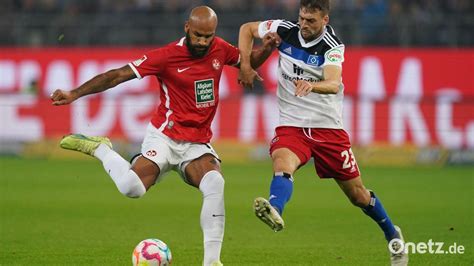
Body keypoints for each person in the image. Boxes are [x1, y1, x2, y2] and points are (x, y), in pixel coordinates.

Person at [51, 6, 278, 266]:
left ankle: (212, 262)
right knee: (131, 189)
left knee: (214, 182)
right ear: (186, 28)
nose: (203, 42)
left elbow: (248, 61)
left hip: (196, 144)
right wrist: (75, 93)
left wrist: (267, 49)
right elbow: (117, 76)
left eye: (208, 36)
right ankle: (100, 148)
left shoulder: (220, 48)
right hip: (164, 138)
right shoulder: (167, 56)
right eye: (198, 36)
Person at [238, 1, 409, 265]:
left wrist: (312, 85)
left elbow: (333, 83)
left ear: (325, 20)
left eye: (311, 21)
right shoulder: (285, 29)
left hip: (327, 128)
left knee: (358, 196)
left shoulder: (332, 46)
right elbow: (247, 29)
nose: (304, 25)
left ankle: (392, 234)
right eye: (302, 18)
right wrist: (247, 66)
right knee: (282, 163)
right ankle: (275, 208)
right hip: (292, 124)